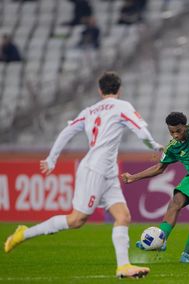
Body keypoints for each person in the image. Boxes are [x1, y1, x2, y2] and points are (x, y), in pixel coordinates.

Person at [4, 71, 163, 278]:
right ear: (119, 89)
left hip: (107, 170)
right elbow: (140, 131)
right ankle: (23, 234)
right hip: (95, 169)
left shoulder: (89, 110)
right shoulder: (122, 106)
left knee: (123, 216)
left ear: (100, 90)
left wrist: (52, 158)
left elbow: (66, 132)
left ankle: (123, 266)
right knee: (77, 220)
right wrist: (155, 146)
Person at [121, 98, 189, 264]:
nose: (176, 135)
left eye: (179, 131)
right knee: (175, 202)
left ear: (185, 126)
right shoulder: (173, 146)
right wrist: (133, 177)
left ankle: (187, 254)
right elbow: (159, 168)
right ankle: (160, 241)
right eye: (172, 132)